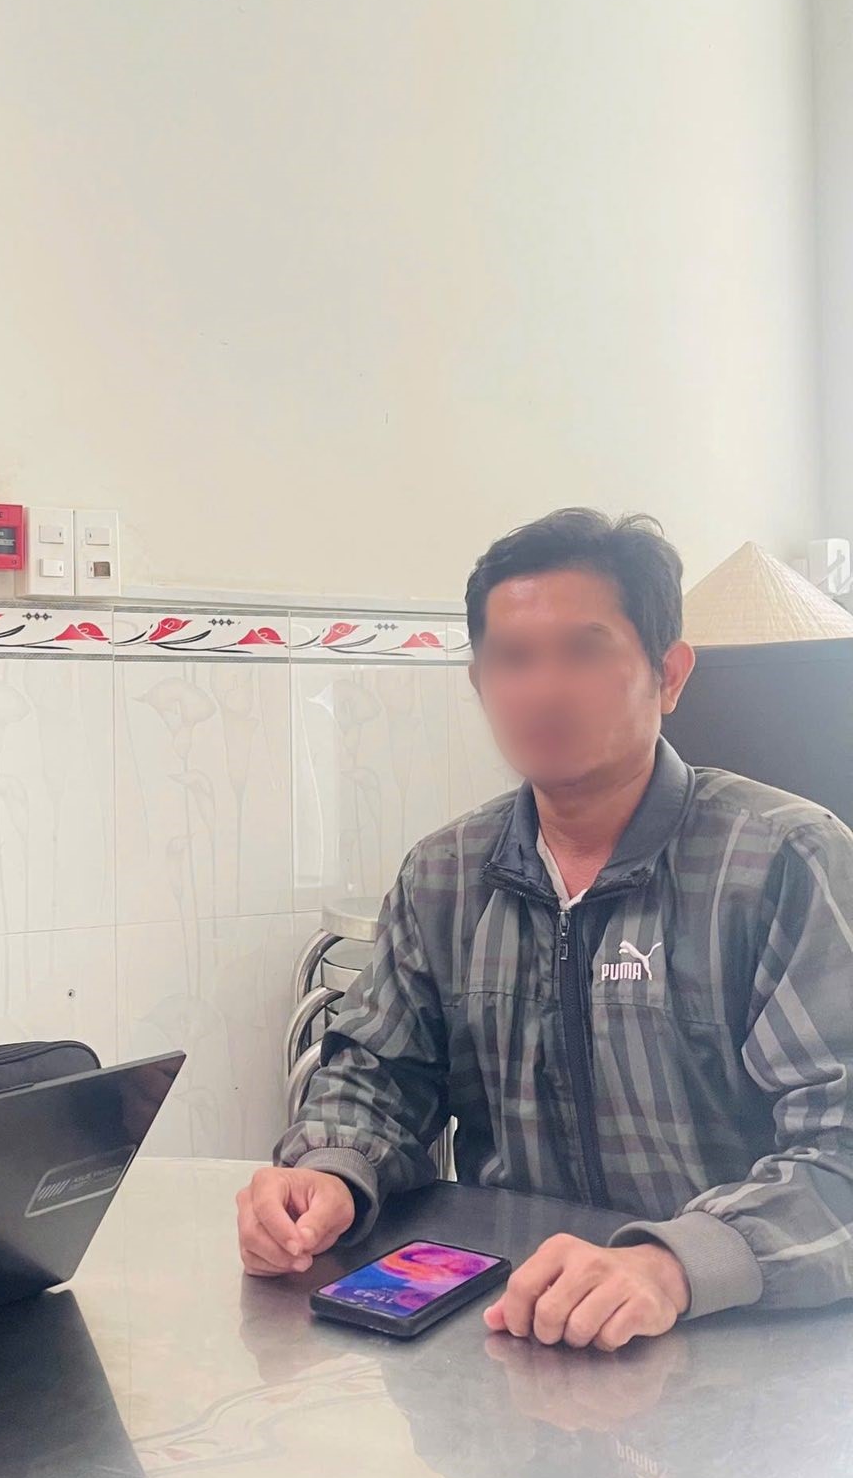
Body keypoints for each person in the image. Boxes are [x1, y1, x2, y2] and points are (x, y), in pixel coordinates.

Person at [238, 508, 853, 1350]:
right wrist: (329, 1173)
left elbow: (840, 1150)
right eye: (513, 659)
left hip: (744, 1334)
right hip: (518, 1328)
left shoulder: (782, 861)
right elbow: (379, 1078)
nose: (543, 689)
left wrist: (671, 1265)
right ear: (479, 683)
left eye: (585, 651)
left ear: (670, 674)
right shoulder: (446, 874)